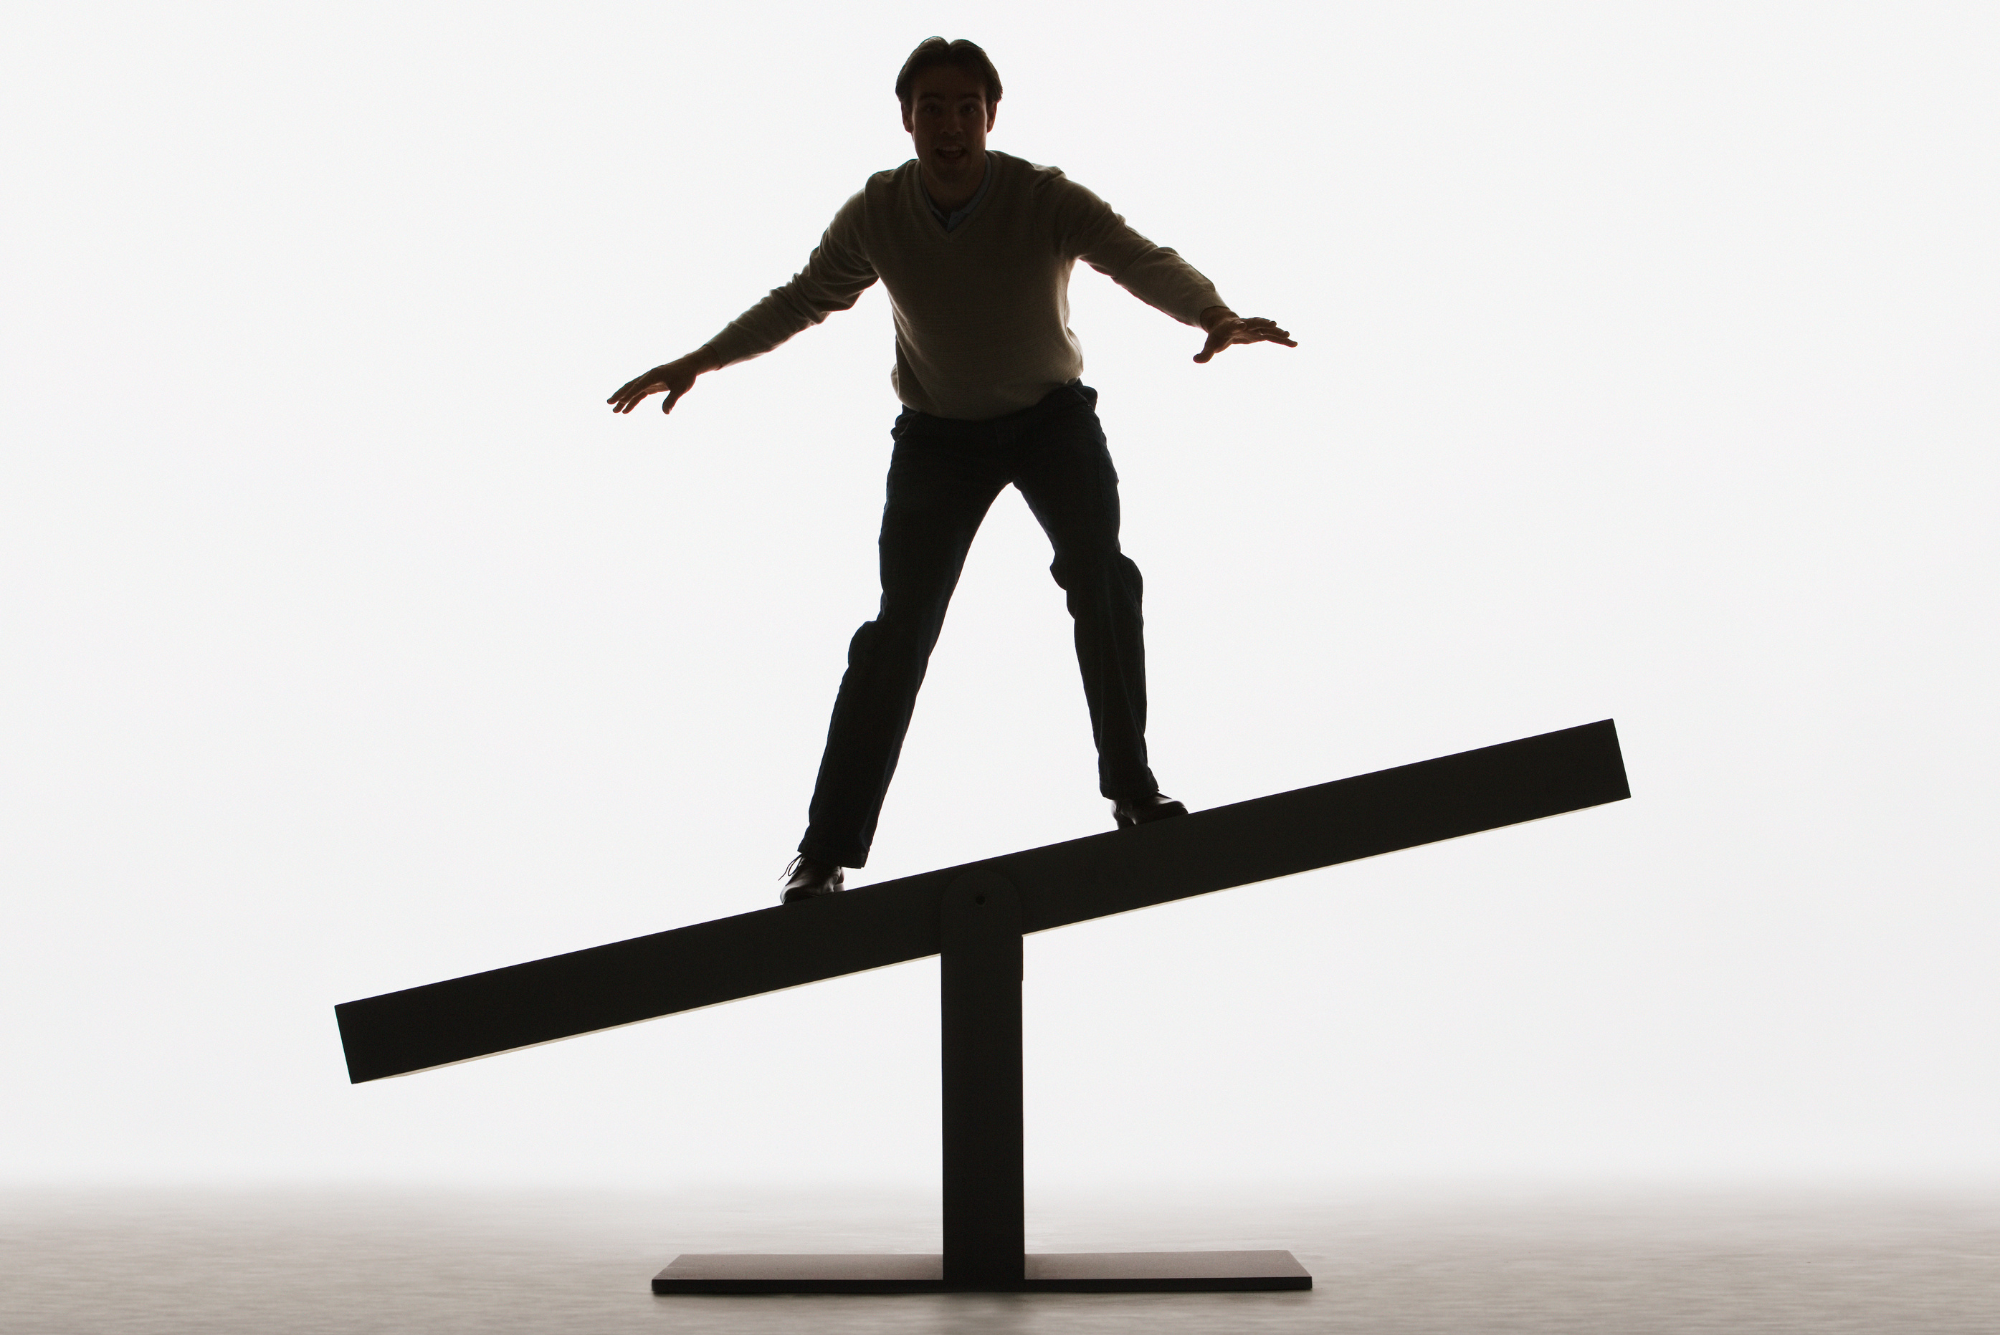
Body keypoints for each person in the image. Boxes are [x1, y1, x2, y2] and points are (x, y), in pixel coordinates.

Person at [608, 38, 1294, 904]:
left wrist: (1215, 312)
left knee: (1101, 576)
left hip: (1051, 422)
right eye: (931, 108)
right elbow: (802, 298)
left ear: (990, 117)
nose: (950, 126)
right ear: (907, 121)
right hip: (938, 439)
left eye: (966, 108)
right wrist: (699, 361)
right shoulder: (879, 213)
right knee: (898, 634)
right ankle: (824, 854)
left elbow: (1134, 254)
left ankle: (1132, 790)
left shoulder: (1042, 197)